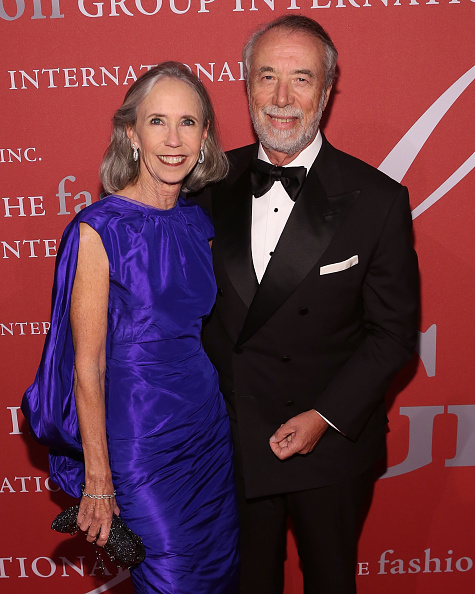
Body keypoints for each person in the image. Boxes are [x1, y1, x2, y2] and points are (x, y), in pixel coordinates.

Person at [197, 15, 419, 594]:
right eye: (266, 77)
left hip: (331, 445)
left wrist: (325, 417)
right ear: (245, 85)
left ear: (326, 90)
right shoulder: (204, 187)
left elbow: (393, 334)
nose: (281, 98)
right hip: (231, 440)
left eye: (300, 78)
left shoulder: (377, 201)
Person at [21, 61, 239, 594]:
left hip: (207, 433)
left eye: (188, 122)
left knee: (222, 578)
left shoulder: (200, 224)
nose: (173, 138)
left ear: (205, 135)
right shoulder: (99, 230)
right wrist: (98, 480)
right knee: (174, 582)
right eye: (157, 121)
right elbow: (86, 367)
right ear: (130, 134)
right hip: (141, 444)